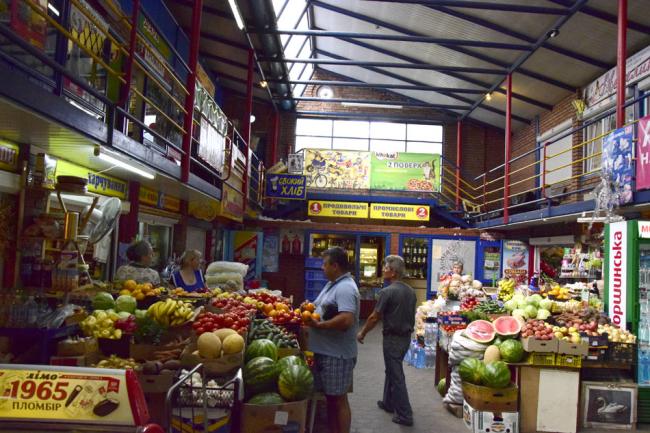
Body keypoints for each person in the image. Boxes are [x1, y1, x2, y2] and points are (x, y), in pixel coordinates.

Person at [304, 247, 360, 433]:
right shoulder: (333, 284)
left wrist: (320, 326)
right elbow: (323, 308)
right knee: (331, 398)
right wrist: (309, 309)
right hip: (326, 352)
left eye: (325, 264)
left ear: (335, 266)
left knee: (338, 400)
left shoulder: (345, 288)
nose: (322, 268)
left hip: (337, 355)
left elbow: (346, 319)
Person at [357, 255, 417, 427]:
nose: (383, 270)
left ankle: (405, 415)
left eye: (385, 267)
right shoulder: (410, 291)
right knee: (392, 370)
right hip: (405, 338)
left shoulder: (387, 292)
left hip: (392, 338)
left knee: (396, 375)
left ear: (393, 271)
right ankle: (388, 402)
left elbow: (374, 317)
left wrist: (362, 333)